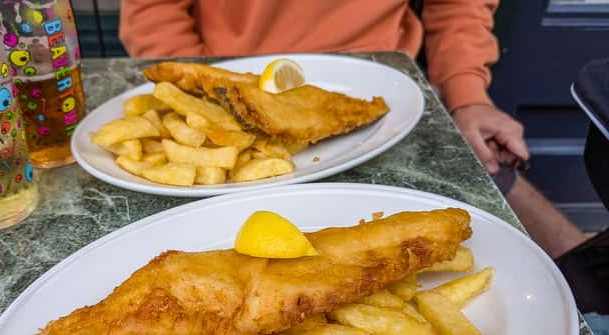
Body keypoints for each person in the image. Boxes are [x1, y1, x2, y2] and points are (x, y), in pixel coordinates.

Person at [118, 0, 585, 258]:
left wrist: (467, 96)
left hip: (386, 93)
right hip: (233, 79)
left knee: (498, 187)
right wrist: (210, 82)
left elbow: (457, 5)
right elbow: (153, 10)